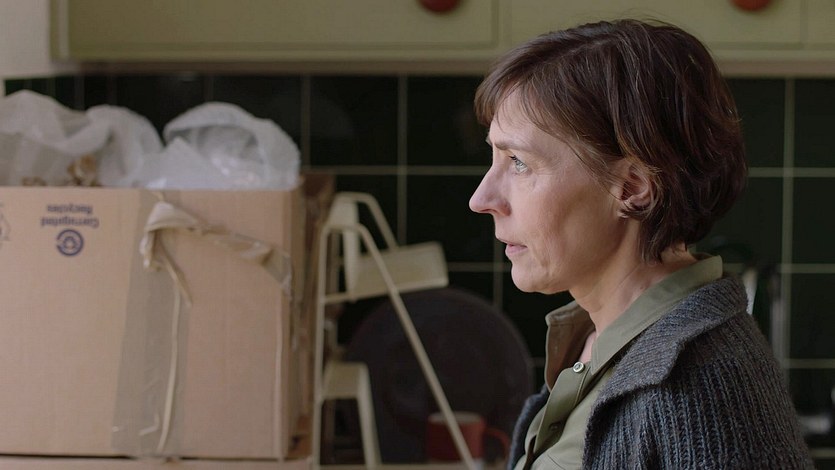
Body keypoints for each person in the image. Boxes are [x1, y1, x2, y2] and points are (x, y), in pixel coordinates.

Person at [468, 19, 813, 469]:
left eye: (518, 162)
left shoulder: (700, 385)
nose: (481, 199)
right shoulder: (597, 339)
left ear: (632, 187)